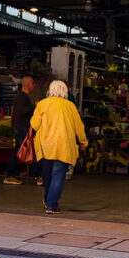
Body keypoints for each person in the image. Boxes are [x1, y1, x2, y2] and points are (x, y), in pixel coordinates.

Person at [30, 80, 87, 214]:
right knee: (58, 175)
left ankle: (48, 198)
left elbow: (34, 125)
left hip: (46, 145)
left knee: (47, 174)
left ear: (50, 90)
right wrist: (83, 141)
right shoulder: (70, 106)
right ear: (65, 91)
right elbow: (79, 126)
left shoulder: (42, 104)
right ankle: (51, 204)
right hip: (64, 145)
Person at [3, 74, 37, 185]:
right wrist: (34, 106)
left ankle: (9, 175)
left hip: (21, 128)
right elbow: (22, 111)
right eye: (32, 83)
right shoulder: (21, 97)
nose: (34, 85)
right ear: (28, 85)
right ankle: (38, 175)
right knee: (29, 152)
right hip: (22, 129)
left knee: (19, 152)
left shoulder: (22, 97)